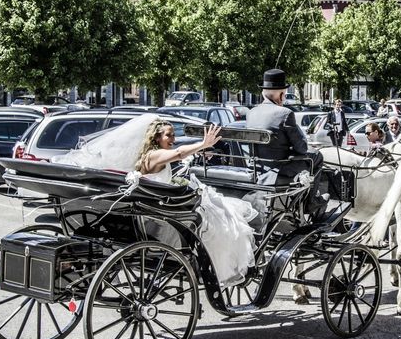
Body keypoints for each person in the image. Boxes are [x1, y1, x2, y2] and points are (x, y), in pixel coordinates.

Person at [52, 113, 257, 290]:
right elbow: (177, 153)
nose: (173, 139)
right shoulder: (155, 155)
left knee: (216, 208)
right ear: (156, 137)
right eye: (169, 135)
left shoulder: (146, 156)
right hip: (157, 216)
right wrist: (203, 144)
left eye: (173, 135)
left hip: (150, 207)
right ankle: (210, 263)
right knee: (218, 216)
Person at [246, 68, 326, 213]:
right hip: (279, 168)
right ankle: (311, 202)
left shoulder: (251, 113)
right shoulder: (285, 113)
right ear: (282, 94)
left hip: (258, 166)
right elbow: (301, 148)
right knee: (316, 156)